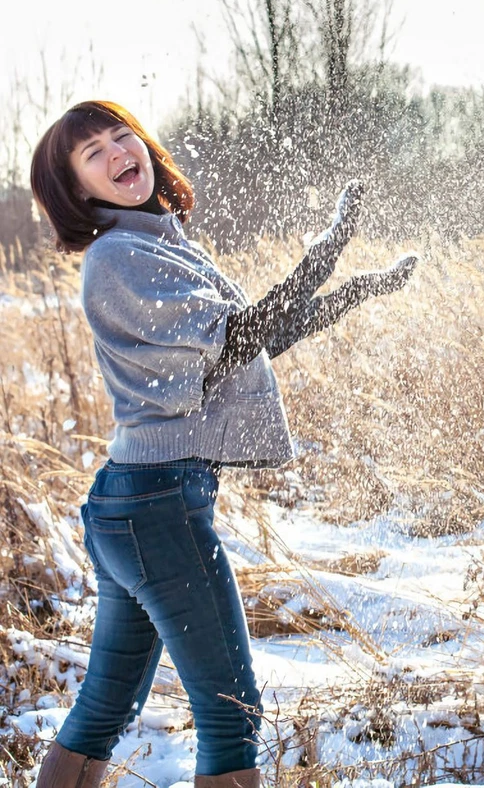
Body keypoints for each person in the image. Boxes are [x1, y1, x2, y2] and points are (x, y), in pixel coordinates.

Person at [29, 100, 417, 788]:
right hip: (157, 507)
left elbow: (244, 346)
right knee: (231, 713)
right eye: (94, 153)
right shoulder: (119, 256)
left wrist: (354, 288)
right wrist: (325, 250)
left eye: (123, 136)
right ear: (77, 190)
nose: (118, 152)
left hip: (140, 502)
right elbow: (238, 337)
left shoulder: (156, 242)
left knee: (104, 712)